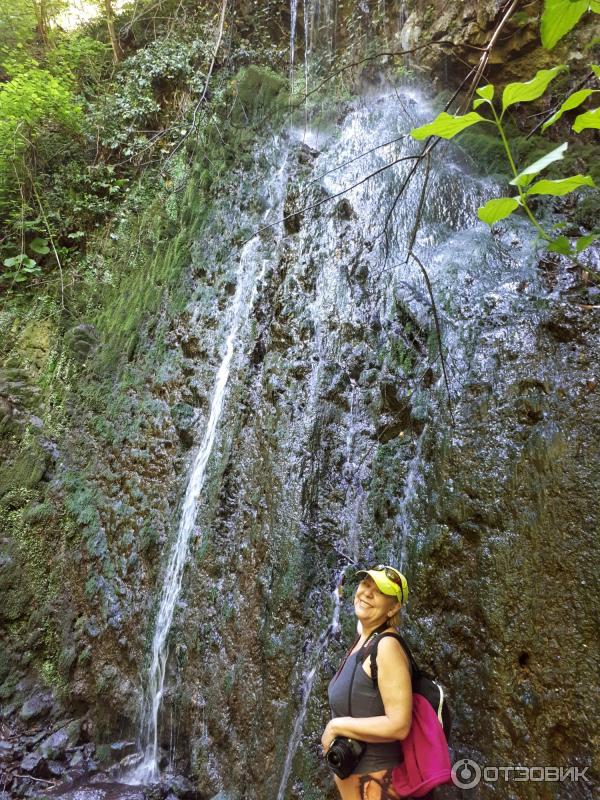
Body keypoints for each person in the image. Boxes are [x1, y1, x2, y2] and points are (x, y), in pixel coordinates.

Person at [323, 565, 412, 800]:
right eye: (365, 584)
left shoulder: (387, 646)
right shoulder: (363, 640)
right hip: (356, 782)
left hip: (378, 785)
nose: (366, 593)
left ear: (393, 607)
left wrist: (336, 726)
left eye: (380, 591)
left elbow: (399, 724)